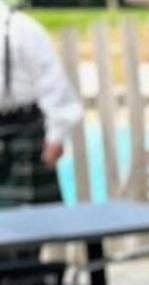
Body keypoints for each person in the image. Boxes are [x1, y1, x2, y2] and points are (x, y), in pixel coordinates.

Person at [0, 1, 81, 210]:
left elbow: (52, 83)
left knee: (31, 222)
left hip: (24, 132)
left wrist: (56, 136)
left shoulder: (21, 28)